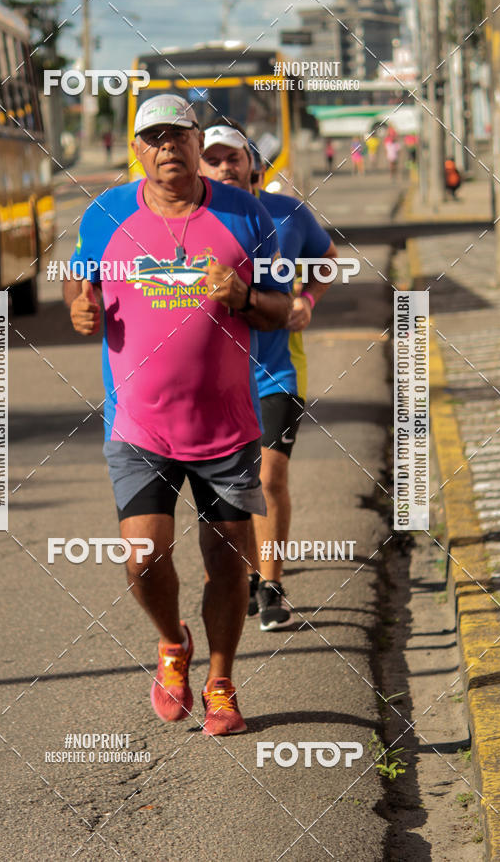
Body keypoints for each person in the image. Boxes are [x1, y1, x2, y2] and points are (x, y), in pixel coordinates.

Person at [64, 95, 291, 735]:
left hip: (226, 426)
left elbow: (280, 308)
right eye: (153, 137)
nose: (168, 147)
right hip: (139, 425)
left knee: (226, 560)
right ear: (136, 149)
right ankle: (172, 644)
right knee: (142, 556)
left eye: (178, 135)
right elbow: (80, 282)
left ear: (197, 143)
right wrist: (79, 308)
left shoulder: (247, 214)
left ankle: (221, 682)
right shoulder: (106, 214)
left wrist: (244, 295)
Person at [199, 120, 337, 631]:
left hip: (275, 371)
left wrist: (306, 300)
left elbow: (326, 260)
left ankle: (271, 583)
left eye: (232, 157)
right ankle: (240, 575)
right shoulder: (191, 221)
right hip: (211, 379)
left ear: (253, 165)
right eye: (211, 159)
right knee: (226, 486)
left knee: (269, 476)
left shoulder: (288, 213)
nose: (223, 167)